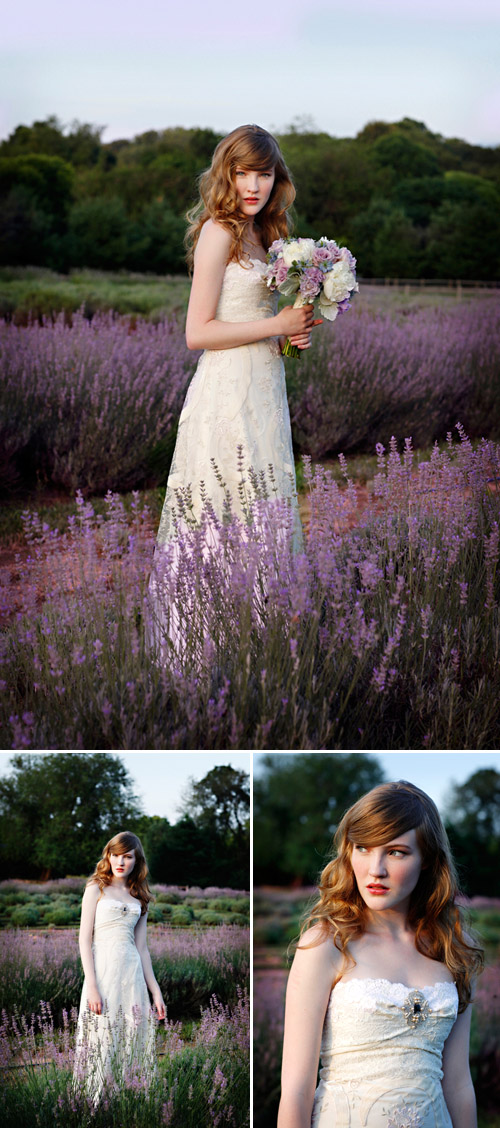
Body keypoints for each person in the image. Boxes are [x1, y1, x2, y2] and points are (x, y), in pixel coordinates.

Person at [148, 125, 322, 656]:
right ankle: (200, 651)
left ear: (277, 178)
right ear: (226, 174)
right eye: (242, 172)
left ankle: (263, 647)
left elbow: (261, 316)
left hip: (265, 387)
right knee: (223, 505)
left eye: (263, 174)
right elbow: (197, 333)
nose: (252, 184)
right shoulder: (218, 233)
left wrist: (293, 332)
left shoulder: (269, 234)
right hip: (225, 393)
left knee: (265, 503)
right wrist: (274, 326)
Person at [277, 780, 483, 1128]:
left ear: (428, 861)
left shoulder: (455, 952)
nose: (376, 870)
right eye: (363, 848)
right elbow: (296, 1089)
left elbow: (459, 1085)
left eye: (396, 852)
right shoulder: (325, 945)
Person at [73, 831, 165, 1104]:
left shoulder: (140, 897)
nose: (120, 861)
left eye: (127, 856)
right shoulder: (96, 888)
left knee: (131, 1034)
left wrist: (156, 992)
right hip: (103, 973)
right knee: (101, 1035)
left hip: (132, 973)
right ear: (108, 856)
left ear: (137, 861)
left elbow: (143, 949)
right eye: (115, 855)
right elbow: (83, 939)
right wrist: (92, 986)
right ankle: (93, 1103)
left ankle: (129, 1100)